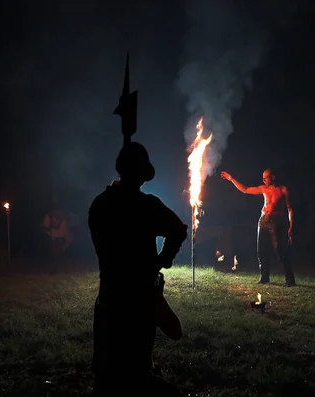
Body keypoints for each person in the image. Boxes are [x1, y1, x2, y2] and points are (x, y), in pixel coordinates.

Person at [88, 141, 188, 396]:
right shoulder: (146, 206)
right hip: (138, 299)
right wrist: (161, 261)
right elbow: (178, 230)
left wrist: (160, 261)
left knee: (111, 370)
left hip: (111, 296)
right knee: (132, 371)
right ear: (141, 175)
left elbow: (177, 230)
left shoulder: (100, 204)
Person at [220, 168, 296, 286]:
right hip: (263, 221)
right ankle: (264, 278)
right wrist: (231, 179)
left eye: (266, 177)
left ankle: (290, 280)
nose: (264, 180)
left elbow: (290, 209)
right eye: (263, 178)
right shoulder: (263, 189)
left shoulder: (283, 190)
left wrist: (291, 226)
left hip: (275, 223)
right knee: (261, 251)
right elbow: (245, 189)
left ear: (273, 177)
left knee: (280, 251)